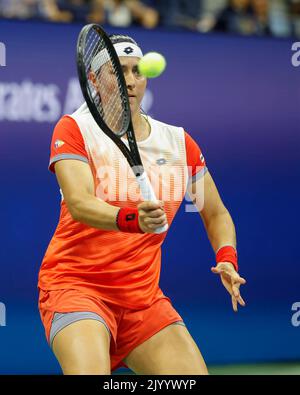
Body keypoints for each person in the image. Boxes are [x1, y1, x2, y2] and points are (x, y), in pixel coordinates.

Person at [38, 33, 246, 375]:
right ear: (93, 78)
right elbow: (79, 203)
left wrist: (226, 257)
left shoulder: (178, 143)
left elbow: (215, 212)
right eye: (118, 71)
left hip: (142, 302)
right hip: (77, 288)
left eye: (137, 71)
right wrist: (132, 218)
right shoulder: (75, 128)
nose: (130, 81)